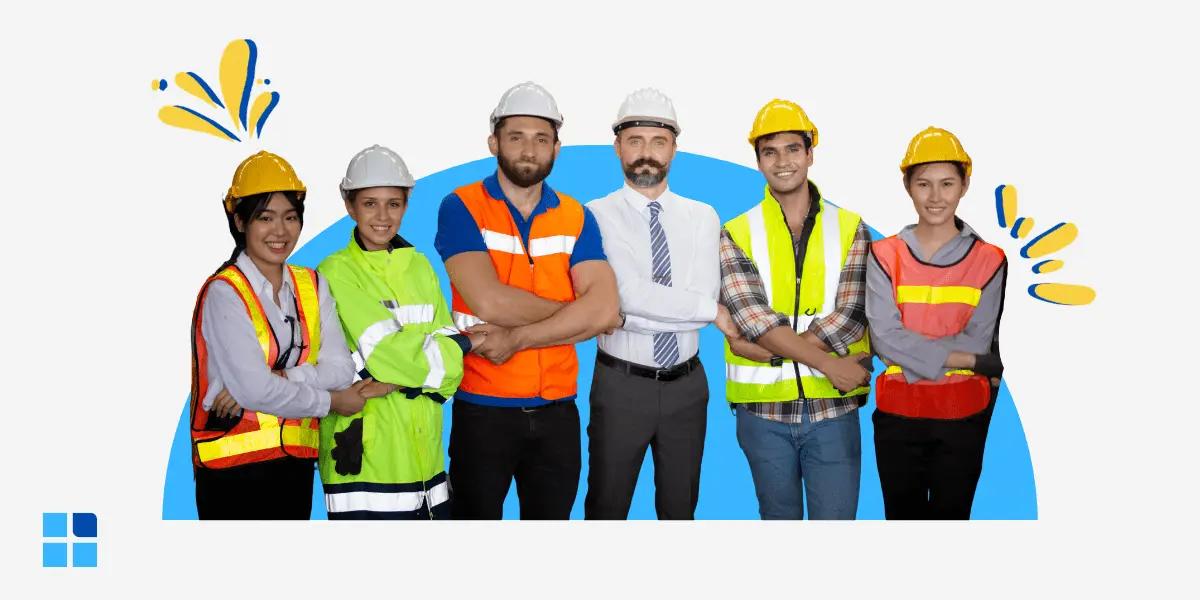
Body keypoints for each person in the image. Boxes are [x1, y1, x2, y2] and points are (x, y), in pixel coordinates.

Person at [434, 81, 620, 520]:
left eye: (541, 139)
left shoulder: (576, 215)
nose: (528, 150)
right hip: (483, 407)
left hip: (558, 411)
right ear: (493, 142)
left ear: (556, 147)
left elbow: (604, 307)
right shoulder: (461, 206)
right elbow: (489, 301)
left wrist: (520, 338)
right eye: (516, 137)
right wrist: (584, 315)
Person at [719, 99, 873, 520]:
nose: (782, 161)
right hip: (763, 417)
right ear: (758, 161)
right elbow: (753, 318)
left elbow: (852, 311)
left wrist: (770, 350)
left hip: (833, 412)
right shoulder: (736, 232)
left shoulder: (851, 226)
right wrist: (829, 363)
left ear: (810, 154)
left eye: (792, 149)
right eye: (770, 151)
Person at [189, 151, 364, 520]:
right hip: (232, 476)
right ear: (239, 220)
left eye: (290, 217)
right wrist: (331, 402)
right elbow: (255, 391)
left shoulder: (312, 284)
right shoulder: (225, 292)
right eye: (264, 218)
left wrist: (283, 376)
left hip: (294, 468)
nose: (280, 231)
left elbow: (341, 370)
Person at [584, 88, 734, 520]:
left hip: (688, 388)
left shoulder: (703, 216)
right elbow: (624, 294)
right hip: (620, 388)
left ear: (674, 148)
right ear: (617, 147)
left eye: (658, 141)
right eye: (635, 141)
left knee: (679, 510)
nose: (646, 152)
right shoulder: (593, 214)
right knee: (607, 507)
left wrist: (629, 316)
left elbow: (694, 295)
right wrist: (706, 312)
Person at [317, 145, 485, 519]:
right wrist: (459, 346)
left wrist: (396, 380)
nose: (382, 216)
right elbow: (384, 355)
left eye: (394, 204)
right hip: (367, 471)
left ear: (406, 204)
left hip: (427, 468)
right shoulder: (335, 272)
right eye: (370, 203)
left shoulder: (419, 266)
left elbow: (450, 372)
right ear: (349, 205)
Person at [866, 126, 1007, 520]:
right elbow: (884, 340)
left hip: (962, 418)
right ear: (907, 185)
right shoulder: (883, 254)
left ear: (965, 184)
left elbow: (979, 344)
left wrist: (964, 359)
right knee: (902, 519)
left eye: (947, 183)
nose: (935, 196)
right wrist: (962, 360)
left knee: (952, 520)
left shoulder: (990, 259)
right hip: (898, 419)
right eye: (924, 183)